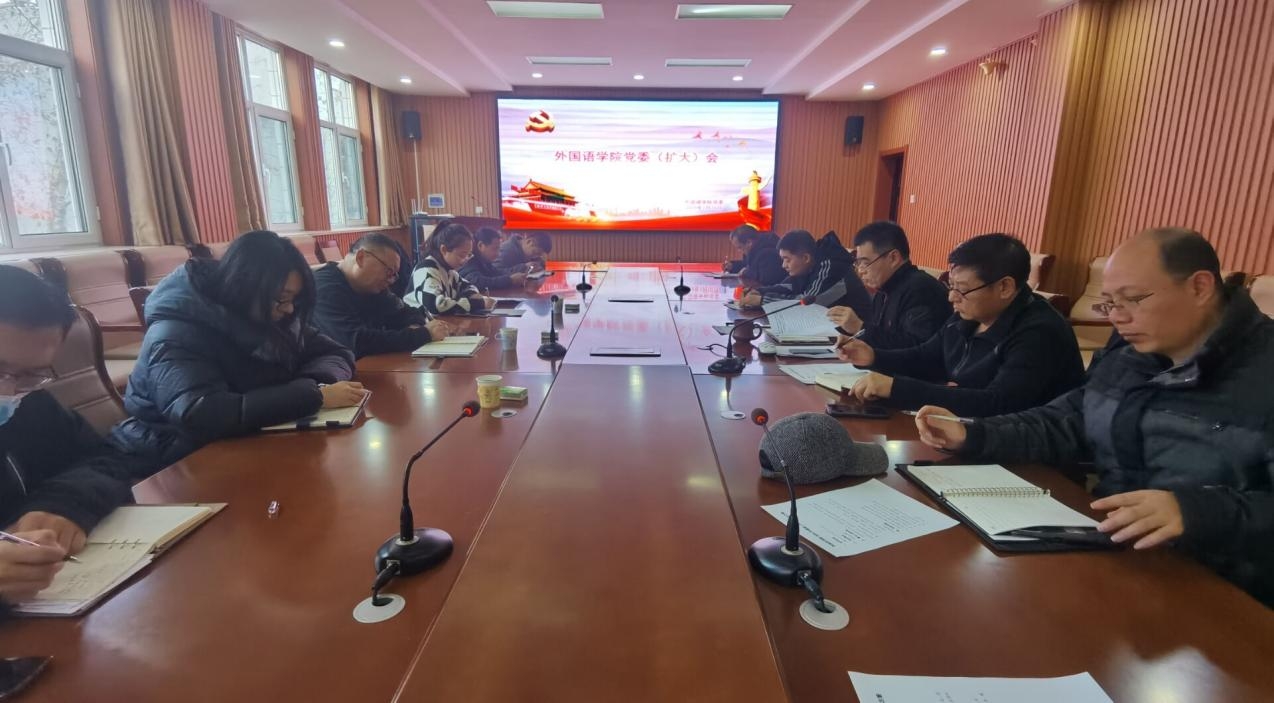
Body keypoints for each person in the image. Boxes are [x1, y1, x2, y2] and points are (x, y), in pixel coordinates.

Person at [913, 228, 1274, 606]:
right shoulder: (1131, 353)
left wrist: (1195, 511)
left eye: (1132, 300)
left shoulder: (1262, 369)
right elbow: (1068, 419)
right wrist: (974, 433)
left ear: (1199, 287)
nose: (1117, 318)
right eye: (1108, 304)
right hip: (1115, 555)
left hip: (1224, 588)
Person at [111, 231, 362, 471]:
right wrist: (311, 397)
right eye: (282, 299)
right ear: (245, 286)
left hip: (243, 441)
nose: (289, 310)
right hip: (171, 456)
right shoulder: (177, 331)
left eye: (294, 300)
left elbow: (336, 352)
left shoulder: (270, 316)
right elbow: (200, 413)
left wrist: (315, 386)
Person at [838, 233, 1084, 417]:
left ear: (1005, 287)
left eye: (962, 289)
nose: (951, 297)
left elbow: (998, 404)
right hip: (967, 433)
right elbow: (926, 356)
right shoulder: (969, 314)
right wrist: (873, 356)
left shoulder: (1040, 332)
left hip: (1026, 458)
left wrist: (898, 389)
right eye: (951, 286)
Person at [0, 266, 134, 602]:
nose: (8, 391)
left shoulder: (30, 402)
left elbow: (106, 458)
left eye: (30, 374)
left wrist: (62, 504)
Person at [312, 233, 450, 359]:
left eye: (394, 275)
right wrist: (422, 334)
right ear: (361, 258)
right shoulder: (323, 288)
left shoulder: (372, 288)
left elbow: (407, 313)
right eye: (389, 272)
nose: (391, 280)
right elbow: (355, 341)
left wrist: (414, 325)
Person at [826, 221, 950, 350]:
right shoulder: (884, 288)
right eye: (858, 263)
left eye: (865, 263)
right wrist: (854, 336)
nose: (861, 271)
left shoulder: (921, 290)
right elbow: (881, 335)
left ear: (893, 258)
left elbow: (915, 348)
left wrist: (859, 327)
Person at [739, 229, 853, 307]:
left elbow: (807, 303)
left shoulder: (829, 265)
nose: (783, 265)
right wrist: (759, 291)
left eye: (787, 259)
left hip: (850, 332)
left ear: (806, 258)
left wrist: (762, 300)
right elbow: (788, 286)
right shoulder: (808, 265)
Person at [407, 223, 495, 315]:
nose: (465, 260)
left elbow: (468, 286)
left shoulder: (450, 271)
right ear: (444, 250)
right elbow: (435, 305)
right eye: (462, 255)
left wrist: (473, 294)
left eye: (468, 255)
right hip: (418, 322)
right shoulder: (426, 270)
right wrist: (477, 304)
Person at [461, 227, 529, 291]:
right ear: (480, 245)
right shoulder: (469, 258)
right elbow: (476, 282)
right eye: (494, 249)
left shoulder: (484, 260)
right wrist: (510, 280)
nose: (498, 254)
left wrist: (521, 270)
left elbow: (497, 272)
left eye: (498, 249)